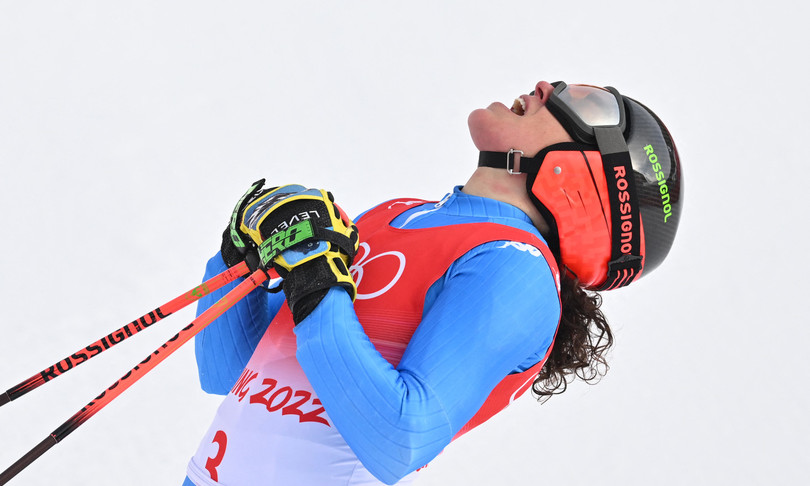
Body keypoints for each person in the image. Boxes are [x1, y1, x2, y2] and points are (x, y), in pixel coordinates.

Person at [181, 80, 683, 485]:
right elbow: (227, 370)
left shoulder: (515, 269)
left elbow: (397, 437)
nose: (545, 87)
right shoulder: (395, 215)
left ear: (593, 178)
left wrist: (313, 273)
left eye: (585, 103)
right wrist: (241, 252)